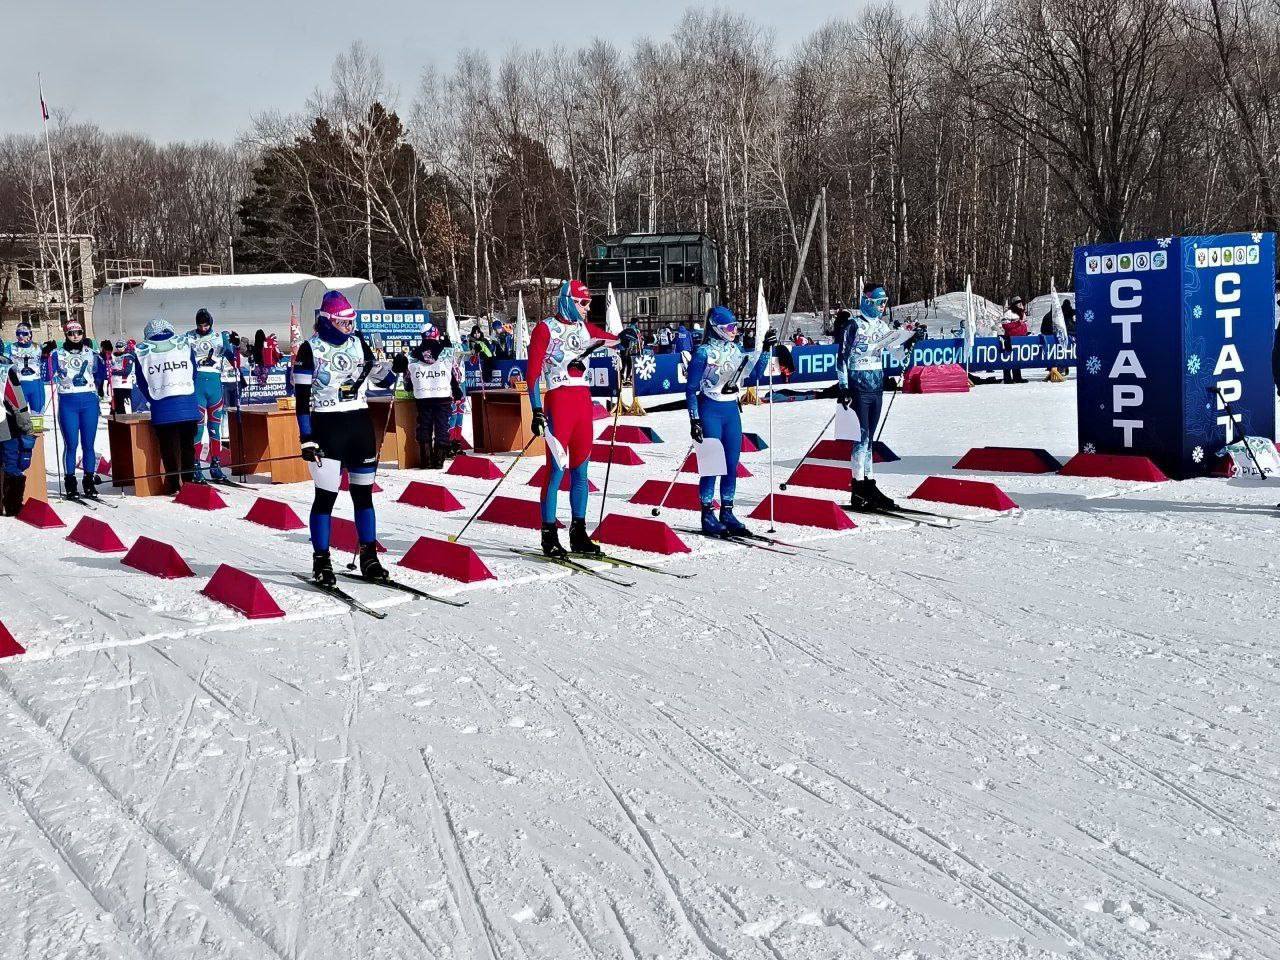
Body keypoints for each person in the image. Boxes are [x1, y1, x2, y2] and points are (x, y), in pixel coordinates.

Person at [293, 290, 397, 587]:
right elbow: (301, 400)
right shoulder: (309, 349)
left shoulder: (358, 343)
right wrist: (306, 438)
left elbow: (382, 379)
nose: (349, 328)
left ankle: (369, 556)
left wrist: (396, 368)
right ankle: (321, 560)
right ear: (327, 320)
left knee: (363, 496)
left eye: (351, 322)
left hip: (359, 424)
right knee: (326, 497)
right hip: (327, 426)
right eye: (343, 323)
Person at [527, 279, 618, 557]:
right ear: (567, 300)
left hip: (582, 404)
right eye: (582, 302)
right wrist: (537, 410)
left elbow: (610, 339)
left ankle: (579, 533)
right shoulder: (545, 329)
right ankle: (549, 534)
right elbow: (532, 374)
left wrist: (624, 339)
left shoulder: (583, 328)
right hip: (559, 403)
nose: (587, 308)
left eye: (589, 303)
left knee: (581, 471)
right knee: (556, 470)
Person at [686, 306, 776, 535]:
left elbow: (754, 376)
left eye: (735, 327)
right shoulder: (703, 353)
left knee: (731, 465)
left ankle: (727, 511)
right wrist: (694, 420)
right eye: (729, 327)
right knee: (711, 466)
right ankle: (707, 514)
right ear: (717, 328)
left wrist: (766, 350)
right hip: (710, 410)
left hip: (731, 412)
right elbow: (690, 389)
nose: (734, 331)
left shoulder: (735, 350)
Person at [837, 285, 907, 512]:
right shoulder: (853, 325)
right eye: (879, 302)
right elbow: (842, 357)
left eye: (885, 301)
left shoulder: (882, 325)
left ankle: (869, 483)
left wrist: (907, 344)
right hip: (858, 384)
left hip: (876, 383)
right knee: (861, 437)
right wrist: (844, 386)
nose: (882, 306)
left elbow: (894, 350)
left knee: (871, 439)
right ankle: (858, 486)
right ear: (867, 301)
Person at [133, 318, 200, 494]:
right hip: (187, 403)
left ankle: (173, 484)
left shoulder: (142, 351)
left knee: (168, 448)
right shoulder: (184, 343)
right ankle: (189, 482)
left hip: (162, 407)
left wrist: (154, 398)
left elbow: (141, 382)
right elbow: (194, 373)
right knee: (187, 446)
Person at [43, 320, 105, 499]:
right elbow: (47, 375)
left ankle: (88, 481)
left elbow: (102, 374)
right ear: (66, 334)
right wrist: (45, 356)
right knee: (71, 445)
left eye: (79, 332)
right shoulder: (57, 353)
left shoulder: (91, 353)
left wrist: (106, 355)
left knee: (89, 445)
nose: (75, 336)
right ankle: (70, 482)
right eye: (71, 333)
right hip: (68, 402)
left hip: (88, 402)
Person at [395, 321, 464, 469]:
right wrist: (456, 389)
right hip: (442, 394)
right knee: (442, 427)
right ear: (436, 334)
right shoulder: (445, 352)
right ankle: (438, 461)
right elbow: (455, 373)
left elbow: (407, 378)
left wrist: (409, 386)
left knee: (424, 426)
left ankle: (425, 460)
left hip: (423, 395)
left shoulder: (413, 354)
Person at [190, 308, 239, 481]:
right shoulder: (188, 337)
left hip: (215, 386)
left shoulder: (220, 337)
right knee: (198, 428)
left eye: (206, 325)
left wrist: (237, 346)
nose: (203, 328)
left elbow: (233, 358)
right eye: (200, 325)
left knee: (215, 428)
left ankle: (216, 465)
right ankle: (195, 465)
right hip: (197, 386)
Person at [0, 352, 35, 516]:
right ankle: (13, 506)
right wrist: (27, 426)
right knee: (11, 463)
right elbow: (17, 401)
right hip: (5, 425)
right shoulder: (5, 370)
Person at [9, 320, 46, 431]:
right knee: (20, 421)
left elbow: (47, 365)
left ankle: (38, 446)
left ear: (30, 334)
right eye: (18, 333)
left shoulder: (38, 347)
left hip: (36, 384)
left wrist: (47, 354)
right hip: (18, 386)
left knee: (37, 421)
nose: (21, 336)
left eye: (24, 334)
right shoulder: (10, 347)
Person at [1001, 297, 1029, 384]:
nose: (1020, 304)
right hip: (1011, 339)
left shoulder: (1022, 313)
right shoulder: (1009, 313)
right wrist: (1017, 323)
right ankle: (1007, 378)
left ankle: (1017, 377)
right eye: (1018, 303)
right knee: (1009, 359)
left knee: (1017, 358)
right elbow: (1005, 326)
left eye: (1021, 302)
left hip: (1020, 339)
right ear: (1014, 304)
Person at [107, 341, 136, 415]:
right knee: (118, 406)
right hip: (115, 385)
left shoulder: (128, 356)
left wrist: (113, 372)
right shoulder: (113, 356)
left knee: (125, 406)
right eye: (117, 347)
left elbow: (126, 371)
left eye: (120, 347)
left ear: (125, 347)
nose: (118, 349)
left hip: (125, 385)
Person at [618, 318, 642, 382]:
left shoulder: (626, 328)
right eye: (637, 323)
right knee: (630, 363)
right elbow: (637, 340)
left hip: (623, 347)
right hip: (631, 349)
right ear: (636, 322)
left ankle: (621, 377)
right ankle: (628, 377)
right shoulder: (636, 330)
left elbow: (620, 335)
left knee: (623, 363)